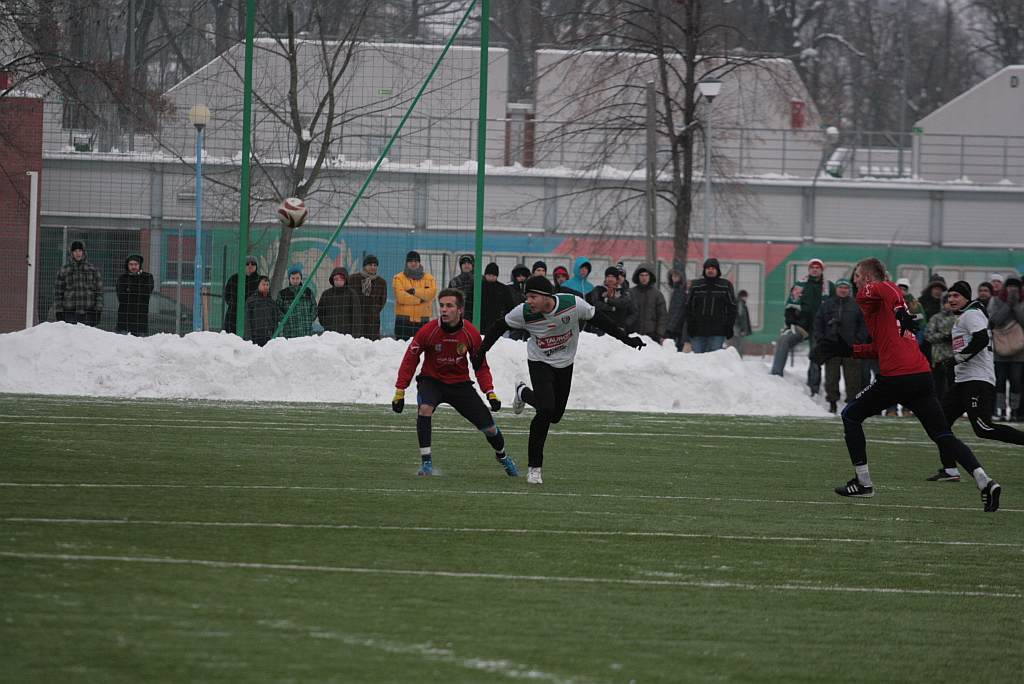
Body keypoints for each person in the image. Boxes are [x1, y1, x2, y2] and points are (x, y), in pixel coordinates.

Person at [811, 257, 1002, 512]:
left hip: (897, 376)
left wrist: (900, 308)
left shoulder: (874, 291)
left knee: (850, 415)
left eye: (857, 276)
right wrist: (846, 350)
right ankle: (985, 481)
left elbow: (886, 288)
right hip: (919, 376)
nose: (855, 281)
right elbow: (881, 347)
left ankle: (864, 483)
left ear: (866, 277)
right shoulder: (882, 307)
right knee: (942, 434)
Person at [475, 276, 646, 484]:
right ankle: (534, 468)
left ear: (547, 296)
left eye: (533, 296)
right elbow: (498, 326)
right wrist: (481, 352)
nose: (528, 301)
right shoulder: (524, 312)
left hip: (565, 363)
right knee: (546, 410)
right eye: (527, 296)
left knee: (555, 415)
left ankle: (523, 392)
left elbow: (600, 319)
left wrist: (626, 339)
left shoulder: (572, 305)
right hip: (539, 362)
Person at [391, 288, 518, 478]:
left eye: (449, 306)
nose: (444, 310)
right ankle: (426, 463)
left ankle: (503, 456)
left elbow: (480, 365)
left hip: (460, 384)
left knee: (490, 429)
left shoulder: (470, 333)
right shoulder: (428, 330)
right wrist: (400, 390)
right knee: (424, 409)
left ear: (460, 310)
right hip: (432, 381)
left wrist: (489, 391)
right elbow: (411, 358)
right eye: (441, 305)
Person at [926, 281, 1024, 483]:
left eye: (956, 296)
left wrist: (957, 359)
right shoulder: (965, 315)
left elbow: (980, 340)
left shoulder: (972, 314)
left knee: (983, 428)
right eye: (950, 296)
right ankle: (950, 470)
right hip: (964, 381)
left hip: (977, 380)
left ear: (966, 298)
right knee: (939, 424)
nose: (952, 299)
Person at [813, 278, 867, 412]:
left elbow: (865, 324)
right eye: (840, 287)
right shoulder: (827, 304)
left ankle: (851, 404)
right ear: (836, 289)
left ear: (849, 290)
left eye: (846, 288)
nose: (843, 290)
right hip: (832, 347)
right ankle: (832, 403)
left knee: (853, 378)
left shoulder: (857, 305)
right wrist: (821, 339)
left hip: (850, 347)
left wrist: (858, 340)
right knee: (831, 377)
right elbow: (818, 323)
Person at [987, 276, 1024, 421]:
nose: (1012, 289)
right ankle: (1000, 410)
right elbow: (995, 320)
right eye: (1009, 286)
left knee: (1016, 381)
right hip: (1000, 348)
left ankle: (1014, 411)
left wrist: (1016, 306)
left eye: (1015, 287)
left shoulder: (1022, 302)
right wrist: (1008, 304)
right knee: (1000, 381)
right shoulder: (995, 301)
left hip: (1019, 349)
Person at [686, 257, 737, 353]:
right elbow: (689, 306)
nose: (710, 270)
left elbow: (732, 307)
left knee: (714, 359)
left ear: (718, 270)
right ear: (704, 270)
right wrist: (690, 325)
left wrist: (729, 326)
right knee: (698, 359)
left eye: (713, 268)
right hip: (698, 330)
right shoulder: (696, 285)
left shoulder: (725, 286)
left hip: (717, 331)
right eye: (708, 268)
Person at [801, 258, 835, 396]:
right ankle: (811, 386)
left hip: (823, 328)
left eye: (817, 268)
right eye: (812, 267)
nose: (814, 270)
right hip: (804, 326)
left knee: (818, 356)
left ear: (822, 270)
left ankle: (817, 386)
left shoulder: (829, 287)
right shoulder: (800, 285)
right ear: (809, 270)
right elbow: (792, 305)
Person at [54, 240, 103, 326]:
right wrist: (59, 311)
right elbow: (58, 292)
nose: (78, 253)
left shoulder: (93, 270)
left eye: (80, 251)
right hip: (70, 313)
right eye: (75, 251)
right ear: (71, 253)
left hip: (89, 312)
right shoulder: (64, 270)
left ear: (84, 252)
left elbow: (99, 291)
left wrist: (98, 310)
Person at [392, 250, 437, 339]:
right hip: (403, 321)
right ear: (406, 263)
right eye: (410, 261)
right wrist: (420, 299)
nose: (413, 263)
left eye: (416, 261)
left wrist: (414, 292)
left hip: (423, 321)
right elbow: (401, 297)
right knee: (401, 348)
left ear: (419, 263)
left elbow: (431, 294)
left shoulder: (430, 278)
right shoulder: (398, 278)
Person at [923, 293, 957, 401]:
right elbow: (928, 335)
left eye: (950, 302)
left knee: (953, 384)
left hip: (954, 357)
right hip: (938, 358)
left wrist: (953, 337)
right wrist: (943, 336)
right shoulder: (936, 318)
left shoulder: (959, 318)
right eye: (946, 302)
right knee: (938, 385)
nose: (948, 305)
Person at [770, 284, 809, 376]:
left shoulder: (809, 304)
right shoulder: (791, 304)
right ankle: (776, 373)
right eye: (794, 293)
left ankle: (814, 383)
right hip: (796, 329)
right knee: (783, 340)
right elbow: (789, 319)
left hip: (810, 329)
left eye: (799, 293)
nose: (796, 295)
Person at [348, 254, 388, 340]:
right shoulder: (353, 279)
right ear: (364, 266)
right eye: (370, 265)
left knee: (372, 344)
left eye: (375, 265)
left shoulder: (381, 282)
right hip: (356, 318)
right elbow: (348, 296)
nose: (373, 267)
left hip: (373, 319)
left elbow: (382, 300)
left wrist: (374, 310)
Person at [586, 266, 636, 333]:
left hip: (618, 328)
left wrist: (607, 300)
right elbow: (596, 303)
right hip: (600, 328)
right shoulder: (598, 289)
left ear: (617, 279)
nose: (610, 279)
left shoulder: (623, 292)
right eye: (608, 276)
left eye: (613, 277)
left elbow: (623, 303)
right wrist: (612, 308)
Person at [116, 253, 154, 336]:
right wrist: (138, 291)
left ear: (140, 265)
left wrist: (129, 290)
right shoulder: (122, 278)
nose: (133, 267)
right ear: (127, 265)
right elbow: (121, 297)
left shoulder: (147, 277)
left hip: (140, 320)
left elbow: (146, 293)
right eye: (131, 264)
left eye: (136, 264)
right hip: (124, 320)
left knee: (139, 347)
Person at [628, 263, 667, 343]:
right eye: (641, 275)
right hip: (633, 333)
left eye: (646, 275)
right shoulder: (630, 293)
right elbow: (625, 312)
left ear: (650, 277)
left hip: (651, 335)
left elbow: (662, 316)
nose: (644, 278)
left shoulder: (657, 294)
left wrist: (659, 334)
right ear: (638, 277)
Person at [276, 264, 317, 338]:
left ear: (301, 278)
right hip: (290, 332)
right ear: (289, 279)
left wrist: (310, 319)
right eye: (293, 278)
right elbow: (277, 309)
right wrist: (285, 320)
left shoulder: (307, 292)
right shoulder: (283, 294)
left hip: (306, 331)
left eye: (297, 278)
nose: (295, 280)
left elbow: (314, 307)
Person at [223, 256, 261, 334]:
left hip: (253, 316)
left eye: (253, 264)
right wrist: (233, 304)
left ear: (256, 266)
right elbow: (227, 295)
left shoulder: (260, 281)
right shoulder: (234, 278)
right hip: (234, 315)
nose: (250, 266)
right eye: (247, 263)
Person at [317, 267, 359, 336]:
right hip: (330, 333)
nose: (338, 281)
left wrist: (354, 334)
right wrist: (326, 324)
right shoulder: (326, 294)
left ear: (345, 279)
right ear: (332, 280)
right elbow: (321, 311)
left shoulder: (352, 294)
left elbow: (356, 316)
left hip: (347, 334)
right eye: (336, 279)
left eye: (341, 278)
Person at [480, 262, 515, 333]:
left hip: (496, 324)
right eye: (489, 275)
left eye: (493, 275)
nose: (491, 277)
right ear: (485, 275)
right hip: (480, 323)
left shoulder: (503, 289)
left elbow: (510, 307)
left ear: (497, 276)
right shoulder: (478, 287)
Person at [244, 276, 279, 346]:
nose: (265, 287)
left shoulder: (272, 303)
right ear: (258, 285)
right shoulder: (251, 301)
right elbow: (247, 321)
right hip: (254, 338)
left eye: (267, 285)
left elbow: (275, 322)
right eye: (263, 284)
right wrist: (249, 339)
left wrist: (274, 337)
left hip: (268, 338)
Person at [447, 254, 475, 322]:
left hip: (476, 317)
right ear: (460, 266)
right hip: (458, 317)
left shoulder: (480, 280)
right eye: (464, 263)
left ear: (473, 265)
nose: (466, 265)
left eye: (468, 263)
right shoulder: (454, 282)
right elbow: (449, 301)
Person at [665, 269, 688, 352]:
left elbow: (678, 310)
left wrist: (670, 327)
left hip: (677, 328)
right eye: (673, 276)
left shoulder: (680, 291)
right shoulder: (675, 290)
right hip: (675, 327)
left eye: (676, 276)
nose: (674, 278)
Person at [733, 289, 753, 356]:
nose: (747, 298)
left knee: (737, 345)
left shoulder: (738, 303)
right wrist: (741, 329)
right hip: (738, 329)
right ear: (743, 296)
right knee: (738, 346)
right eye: (746, 297)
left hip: (736, 329)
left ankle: (737, 359)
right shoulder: (740, 303)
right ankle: (737, 360)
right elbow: (740, 316)